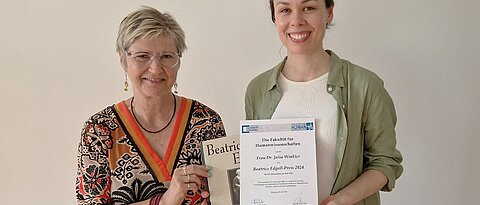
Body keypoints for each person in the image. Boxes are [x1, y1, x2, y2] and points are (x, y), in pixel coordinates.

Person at [244, 0, 403, 204]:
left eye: (308, 8)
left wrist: (343, 199)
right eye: (285, 10)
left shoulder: (364, 85)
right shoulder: (257, 89)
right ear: (275, 18)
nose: (296, 20)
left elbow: (385, 162)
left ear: (329, 13)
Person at [76, 6, 226, 205]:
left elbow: (228, 194)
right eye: (142, 56)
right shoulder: (98, 130)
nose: (155, 68)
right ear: (122, 59)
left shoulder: (207, 122)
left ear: (178, 61)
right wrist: (163, 201)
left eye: (166, 56)